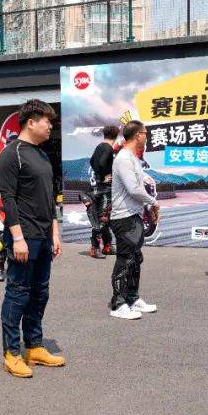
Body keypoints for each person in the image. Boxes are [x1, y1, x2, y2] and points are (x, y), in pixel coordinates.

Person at [0, 99, 64, 378]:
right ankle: (12, 353)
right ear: (31, 122)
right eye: (47, 121)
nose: (50, 126)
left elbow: (50, 197)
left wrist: (55, 233)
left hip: (44, 236)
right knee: (18, 293)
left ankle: (34, 347)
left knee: (40, 293)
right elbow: (8, 198)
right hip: (23, 237)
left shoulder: (43, 155)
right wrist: (17, 238)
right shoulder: (11, 154)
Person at [108, 121, 160, 320]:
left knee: (135, 259)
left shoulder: (133, 158)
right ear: (138, 135)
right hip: (124, 217)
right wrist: (153, 202)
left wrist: (148, 207)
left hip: (134, 215)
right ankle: (118, 304)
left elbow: (139, 188)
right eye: (145, 133)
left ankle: (132, 298)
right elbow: (134, 189)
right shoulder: (123, 158)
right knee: (125, 259)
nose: (147, 136)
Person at [88, 125, 118, 258]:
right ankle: (95, 247)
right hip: (105, 189)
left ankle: (107, 246)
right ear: (116, 135)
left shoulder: (99, 146)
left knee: (106, 218)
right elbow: (100, 163)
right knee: (104, 218)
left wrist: (99, 177)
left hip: (99, 188)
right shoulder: (108, 148)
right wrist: (103, 177)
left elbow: (92, 161)